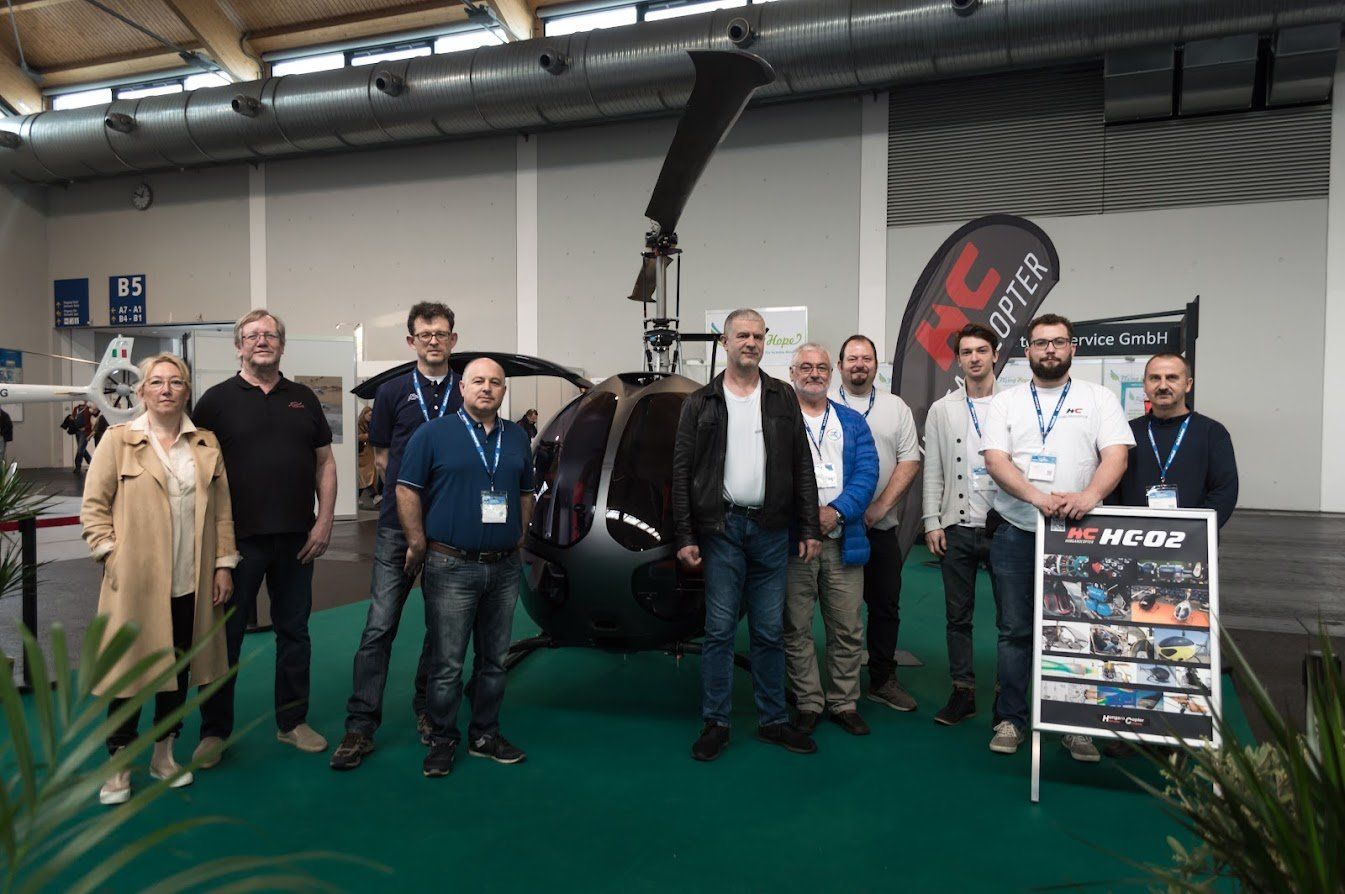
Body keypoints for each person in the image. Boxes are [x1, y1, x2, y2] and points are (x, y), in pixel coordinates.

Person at [80, 353, 238, 805]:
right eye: (156, 382)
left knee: (178, 671)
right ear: (142, 391)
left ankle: (163, 756)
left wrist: (223, 564)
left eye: (175, 382)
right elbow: (94, 506)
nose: (166, 389)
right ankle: (118, 765)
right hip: (135, 583)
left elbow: (222, 511)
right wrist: (110, 554)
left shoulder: (205, 444)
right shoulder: (118, 440)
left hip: (191, 580)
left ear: (186, 391)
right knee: (128, 674)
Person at [981, 313, 1135, 762]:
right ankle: (1010, 719)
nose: (1050, 349)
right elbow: (995, 460)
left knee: (1079, 629)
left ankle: (1075, 723)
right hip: (1017, 530)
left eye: (1059, 342)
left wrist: (1089, 496)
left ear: (1072, 349)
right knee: (1014, 631)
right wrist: (1037, 499)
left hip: (1078, 535)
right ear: (1027, 350)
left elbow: (1116, 456)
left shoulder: (1098, 398)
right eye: (1041, 342)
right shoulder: (1006, 402)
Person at [672, 308, 822, 761]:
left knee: (769, 631)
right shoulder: (700, 402)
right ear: (725, 342)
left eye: (758, 336)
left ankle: (773, 720)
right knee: (719, 630)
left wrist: (808, 525)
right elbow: (681, 473)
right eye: (742, 335)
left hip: (772, 529)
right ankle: (716, 723)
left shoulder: (782, 396)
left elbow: (801, 464)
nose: (751, 343)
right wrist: (685, 534)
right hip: (721, 530)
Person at [192, 309, 337, 764]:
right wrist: (212, 545)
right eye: (252, 335)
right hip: (236, 544)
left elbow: (325, 463)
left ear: (281, 345)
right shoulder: (214, 402)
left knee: (294, 633)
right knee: (225, 638)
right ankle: (214, 732)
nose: (261, 340)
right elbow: (196, 471)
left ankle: (292, 723)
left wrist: (324, 521)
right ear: (238, 346)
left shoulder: (304, 399)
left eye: (270, 335)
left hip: (297, 540)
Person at [332, 302, 463, 771]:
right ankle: (360, 725)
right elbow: (384, 458)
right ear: (411, 341)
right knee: (380, 626)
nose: (434, 341)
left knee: (441, 629)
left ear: (453, 339)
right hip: (395, 528)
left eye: (441, 333)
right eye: (425, 334)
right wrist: (410, 515)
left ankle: (427, 709)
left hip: (449, 531)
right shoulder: (390, 392)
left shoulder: (466, 389)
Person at [396, 358, 534, 778]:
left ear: (504, 390)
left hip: (503, 568)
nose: (486, 388)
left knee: (494, 660)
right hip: (451, 565)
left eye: (495, 382)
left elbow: (525, 492)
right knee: (448, 663)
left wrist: (520, 534)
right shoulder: (432, 434)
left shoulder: (517, 437)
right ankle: (442, 738)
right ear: (462, 387)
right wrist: (417, 542)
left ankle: (485, 734)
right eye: (478, 381)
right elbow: (406, 489)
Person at [784, 343, 878, 736]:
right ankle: (808, 701)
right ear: (792, 373)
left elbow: (868, 474)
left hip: (843, 541)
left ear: (832, 372)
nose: (814, 373)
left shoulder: (851, 422)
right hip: (795, 545)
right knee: (795, 627)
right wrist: (808, 520)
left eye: (821, 367)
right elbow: (772, 478)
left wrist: (836, 512)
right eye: (805, 367)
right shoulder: (779, 421)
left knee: (847, 628)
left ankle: (843, 702)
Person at [829, 334, 921, 711]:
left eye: (866, 358)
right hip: (832, 529)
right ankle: (834, 682)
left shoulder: (895, 407)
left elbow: (910, 460)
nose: (859, 365)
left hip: (879, 527)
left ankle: (882, 679)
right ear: (839, 366)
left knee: (884, 607)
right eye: (852, 358)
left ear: (876, 365)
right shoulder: (823, 403)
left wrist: (880, 508)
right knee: (835, 610)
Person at [921, 323, 1001, 726]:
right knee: (958, 616)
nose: (974, 358)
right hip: (957, 525)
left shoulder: (1015, 403)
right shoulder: (943, 409)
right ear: (958, 360)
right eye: (966, 352)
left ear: (995, 355)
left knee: (1011, 619)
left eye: (981, 350)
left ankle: (1008, 695)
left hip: (1006, 528)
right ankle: (963, 691)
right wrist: (931, 521)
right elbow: (933, 468)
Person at [1110, 353, 1238, 527]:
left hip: (1193, 538)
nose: (1163, 386)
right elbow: (1112, 488)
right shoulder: (1125, 432)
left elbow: (1224, 492)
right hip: (1133, 537)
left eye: (1172, 378)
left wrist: (1194, 531)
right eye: (1155, 378)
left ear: (1188, 384)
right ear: (1145, 385)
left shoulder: (1213, 432)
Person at [357, 404, 377, 509]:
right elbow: (357, 437)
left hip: (369, 456)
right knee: (365, 478)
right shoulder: (359, 425)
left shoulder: (370, 425)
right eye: (369, 415)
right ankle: (375, 497)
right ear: (364, 414)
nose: (371, 417)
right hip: (362, 456)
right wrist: (367, 436)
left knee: (366, 478)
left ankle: (373, 497)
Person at [64, 402, 93, 473]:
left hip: (85, 432)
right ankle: (92, 463)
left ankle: (78, 466)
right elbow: (74, 417)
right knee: (82, 448)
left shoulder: (89, 409)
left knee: (80, 449)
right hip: (77, 430)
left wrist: (85, 427)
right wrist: (71, 418)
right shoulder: (76, 408)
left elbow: (92, 421)